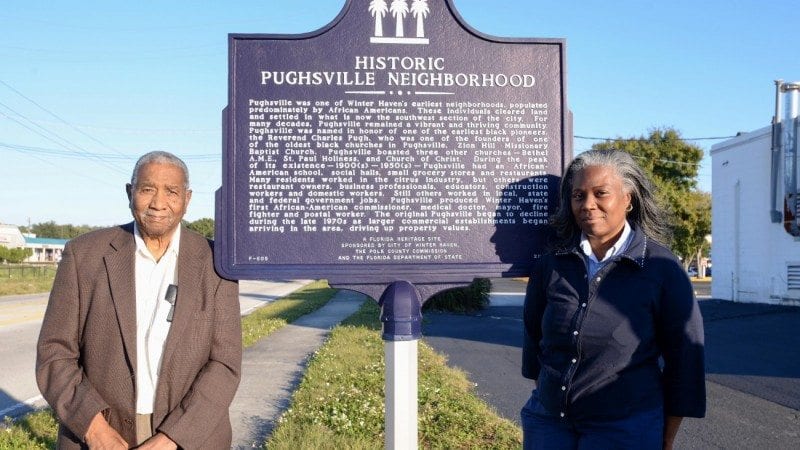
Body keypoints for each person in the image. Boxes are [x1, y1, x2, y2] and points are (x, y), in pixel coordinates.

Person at [36, 151, 242, 449]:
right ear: (129, 192)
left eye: (171, 191)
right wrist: (95, 431)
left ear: (187, 198)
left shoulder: (216, 262)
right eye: (147, 189)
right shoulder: (84, 255)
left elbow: (225, 364)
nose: (158, 203)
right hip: (99, 436)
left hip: (191, 438)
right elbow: (54, 354)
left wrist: (172, 438)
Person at [521, 149, 705, 449]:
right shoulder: (552, 263)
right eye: (578, 195)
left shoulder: (661, 268)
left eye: (600, 193)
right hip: (549, 423)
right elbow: (533, 335)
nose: (588, 204)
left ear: (628, 199)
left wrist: (665, 436)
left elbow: (686, 357)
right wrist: (547, 393)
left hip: (625, 426)